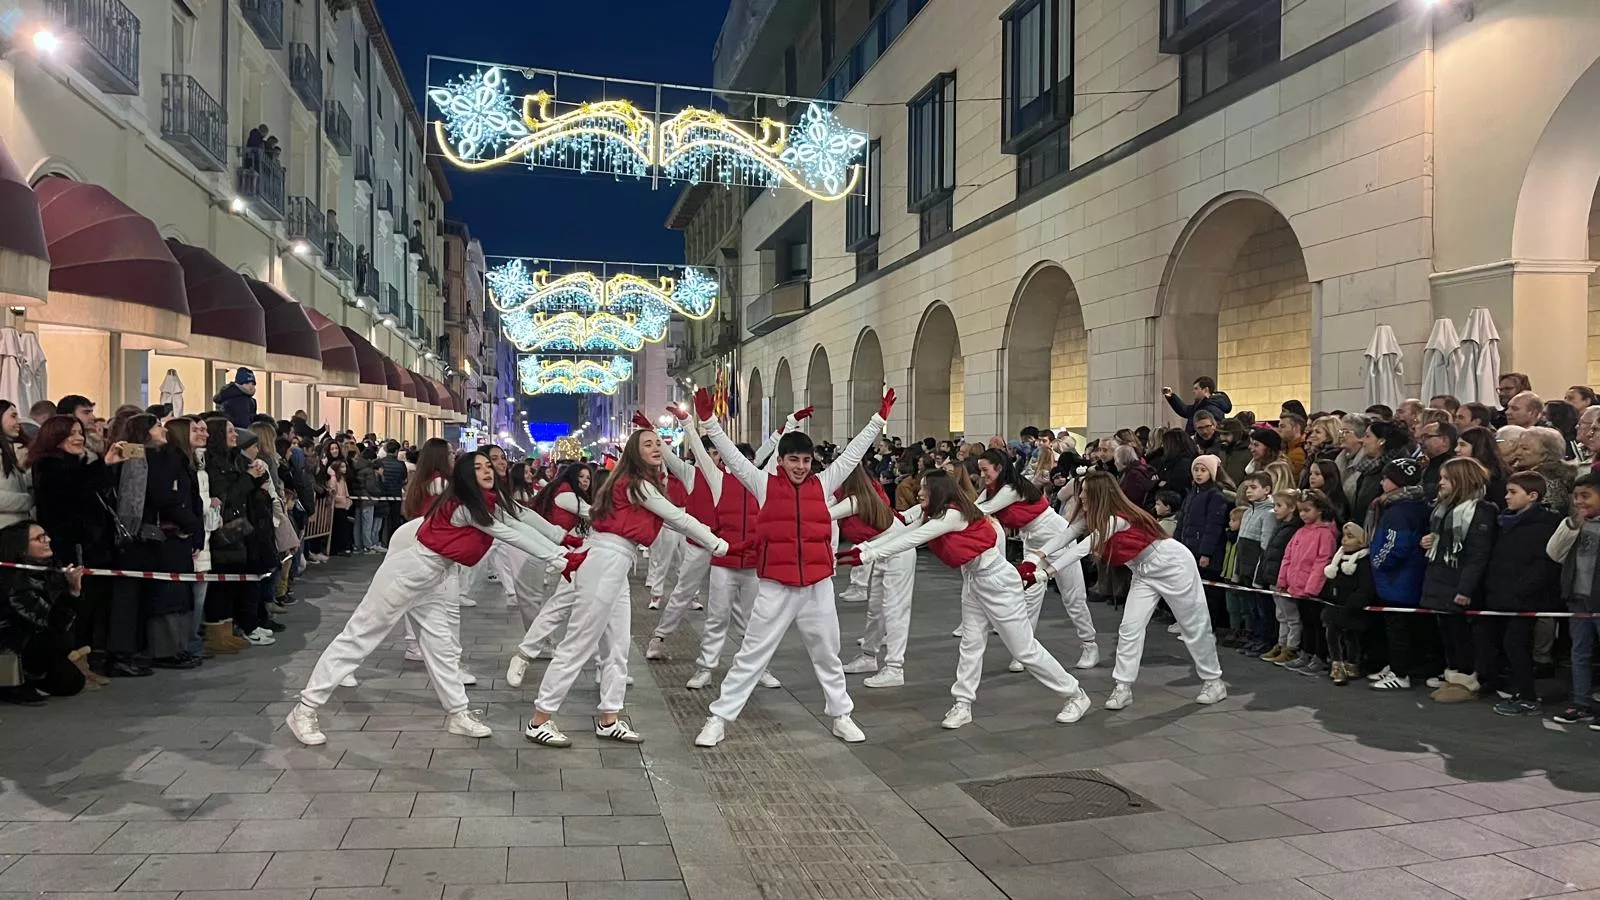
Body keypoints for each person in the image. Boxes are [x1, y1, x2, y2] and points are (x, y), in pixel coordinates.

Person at [287, 451, 584, 746]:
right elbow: (507, 533)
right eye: (478, 466)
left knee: (441, 647)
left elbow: (518, 520)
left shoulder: (485, 503)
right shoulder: (464, 506)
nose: (488, 470)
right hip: (407, 574)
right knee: (358, 638)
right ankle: (305, 710)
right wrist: (561, 559)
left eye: (488, 465)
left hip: (432, 577)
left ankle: (458, 713)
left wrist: (560, 543)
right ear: (466, 475)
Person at [690, 387, 891, 748]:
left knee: (828, 652)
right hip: (776, 586)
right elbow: (733, 458)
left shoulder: (823, 483)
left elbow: (852, 454)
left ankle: (841, 715)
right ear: (781, 460)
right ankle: (718, 718)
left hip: (817, 585)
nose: (801, 467)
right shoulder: (763, 484)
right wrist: (708, 423)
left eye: (806, 460)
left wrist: (879, 419)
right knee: (752, 653)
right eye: (794, 460)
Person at [523, 418, 730, 749]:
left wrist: (709, 537)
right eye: (647, 443)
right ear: (634, 452)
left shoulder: (638, 483)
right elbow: (677, 517)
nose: (656, 447)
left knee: (617, 646)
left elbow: (669, 520)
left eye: (658, 443)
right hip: (606, 560)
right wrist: (717, 543)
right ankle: (540, 718)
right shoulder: (637, 483)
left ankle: (610, 717)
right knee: (580, 640)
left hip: (615, 561)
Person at [844, 469, 1092, 729]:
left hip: (998, 581)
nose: (919, 492)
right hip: (975, 580)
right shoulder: (938, 512)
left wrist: (868, 554)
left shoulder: (953, 514)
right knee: (971, 644)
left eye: (925, 488)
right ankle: (963, 704)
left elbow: (914, 539)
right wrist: (866, 548)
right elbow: (904, 531)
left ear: (938, 491)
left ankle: (1075, 694)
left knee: (1024, 650)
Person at [1059, 471, 1226, 710]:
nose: (1081, 495)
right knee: (1129, 627)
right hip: (1143, 571)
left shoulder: (1118, 517)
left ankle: (1214, 681)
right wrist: (1039, 560)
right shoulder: (1094, 517)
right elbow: (1069, 537)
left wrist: (1046, 570)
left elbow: (1081, 548)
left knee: (1194, 626)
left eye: (1085, 490)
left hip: (1173, 564)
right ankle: (1122, 686)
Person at [976, 449, 1099, 670]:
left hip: (1055, 535)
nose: (982, 474)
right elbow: (973, 508)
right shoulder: (992, 489)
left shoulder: (1011, 489)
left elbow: (977, 512)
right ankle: (1025, 650)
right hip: (1032, 541)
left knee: (1073, 596)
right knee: (1028, 597)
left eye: (985, 470)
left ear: (999, 468)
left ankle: (1089, 644)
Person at [30, 415, 123, 671]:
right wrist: (100, 465)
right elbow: (72, 495)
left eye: (79, 432)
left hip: (93, 545)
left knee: (94, 605)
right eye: (71, 432)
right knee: (76, 606)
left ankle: (88, 660)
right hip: (69, 545)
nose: (78, 437)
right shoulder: (48, 466)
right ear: (55, 436)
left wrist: (103, 466)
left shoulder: (82, 463)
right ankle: (72, 665)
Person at [1479, 472, 1562, 716]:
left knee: (1515, 644)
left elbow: (1545, 563)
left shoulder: (1545, 525)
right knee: (1511, 645)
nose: (1506, 497)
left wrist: (1523, 588)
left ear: (1533, 496)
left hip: (1526, 598)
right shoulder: (1506, 523)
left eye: (1513, 492)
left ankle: (1527, 696)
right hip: (1503, 595)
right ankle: (1520, 690)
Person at [1419, 458, 1498, 703]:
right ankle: (1453, 676)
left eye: (1445, 478)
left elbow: (1478, 555)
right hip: (1439, 578)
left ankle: (1467, 680)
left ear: (1461, 481)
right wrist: (1429, 541)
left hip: (1459, 583)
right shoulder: (1444, 509)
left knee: (1462, 636)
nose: (1440, 483)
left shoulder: (1481, 512)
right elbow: (1443, 540)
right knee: (1447, 633)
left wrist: (1465, 589)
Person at [834, 464, 918, 687]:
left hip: (897, 550)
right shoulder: (854, 494)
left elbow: (820, 515)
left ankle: (894, 668)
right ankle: (869, 656)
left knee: (894, 610)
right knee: (876, 607)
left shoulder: (856, 499)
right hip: (882, 549)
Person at [0, 520, 87, 703]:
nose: (48, 540)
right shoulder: (13, 583)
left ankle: (33, 679)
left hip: (41, 640)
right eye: (39, 538)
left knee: (72, 682)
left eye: (45, 535)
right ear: (21, 548)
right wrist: (71, 594)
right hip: (15, 644)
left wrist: (73, 592)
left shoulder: (52, 570)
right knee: (57, 644)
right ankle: (16, 683)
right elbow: (49, 623)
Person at [1365, 458, 1430, 690]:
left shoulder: (1400, 511)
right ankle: (1396, 665)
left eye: (1386, 478)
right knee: (1398, 627)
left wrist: (1378, 562)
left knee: (1398, 628)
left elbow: (1396, 545)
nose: (1381, 482)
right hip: (1403, 578)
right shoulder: (1413, 506)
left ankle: (1401, 673)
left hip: (1399, 579)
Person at [1548, 473, 1600, 726]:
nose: (1580, 502)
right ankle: (1581, 703)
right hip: (1577, 599)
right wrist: (1572, 526)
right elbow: (1554, 553)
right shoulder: (1572, 524)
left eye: (1586, 496)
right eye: (1576, 497)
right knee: (1579, 652)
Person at [1276, 489, 1339, 676]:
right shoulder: (1300, 532)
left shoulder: (1326, 534)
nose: (1303, 514)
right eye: (1301, 511)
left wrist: (1311, 588)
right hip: (1297, 588)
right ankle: (1306, 652)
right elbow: (1288, 556)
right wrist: (1283, 580)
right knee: (1306, 622)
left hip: (1313, 591)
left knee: (1317, 624)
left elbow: (1322, 561)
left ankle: (1319, 657)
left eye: (1307, 510)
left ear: (1319, 510)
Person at [1322, 522, 1373, 686]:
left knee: (1352, 637)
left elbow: (1365, 587)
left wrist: (1353, 603)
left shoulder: (1363, 562)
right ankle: (1337, 664)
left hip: (1352, 608)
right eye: (1344, 536)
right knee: (1332, 635)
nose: (1344, 540)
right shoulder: (1337, 560)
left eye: (1350, 537)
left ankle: (1352, 663)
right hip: (1335, 605)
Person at [1233, 473, 1279, 656]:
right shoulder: (1247, 512)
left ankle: (1265, 639)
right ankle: (1254, 635)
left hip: (1256, 569)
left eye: (1254, 487)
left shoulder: (1269, 514)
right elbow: (1240, 543)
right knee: (1250, 606)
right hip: (1244, 567)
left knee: (1263, 607)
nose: (1248, 490)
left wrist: (1259, 573)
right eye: (1247, 487)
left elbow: (1265, 545)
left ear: (1267, 490)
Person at [1256, 490, 1302, 664]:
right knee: (1281, 615)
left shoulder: (1293, 529)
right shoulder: (1280, 525)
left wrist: (1284, 579)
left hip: (1284, 580)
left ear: (1291, 508)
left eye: (1279, 505)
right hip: (1274, 578)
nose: (1275, 509)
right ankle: (1281, 644)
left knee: (1292, 617)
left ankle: (1291, 648)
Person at [0, 400, 33, 528]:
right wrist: (29, 500)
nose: (19, 422)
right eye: (13, 416)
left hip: (15, 528)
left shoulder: (10, 452)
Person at [1162, 377, 1232, 435]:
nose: (1193, 391)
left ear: (1205, 390)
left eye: (1196, 388)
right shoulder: (1202, 405)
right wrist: (1171, 396)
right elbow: (1185, 410)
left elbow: (1212, 431)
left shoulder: (1213, 407)